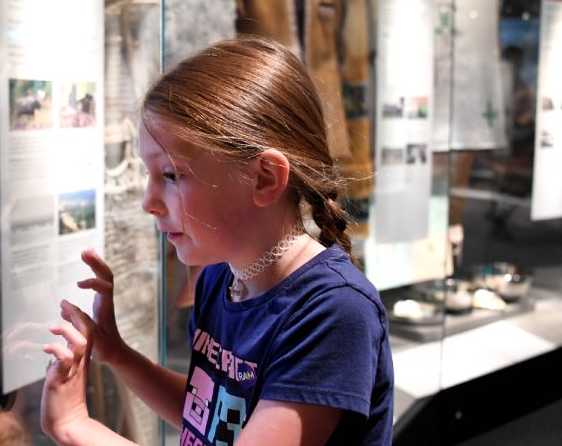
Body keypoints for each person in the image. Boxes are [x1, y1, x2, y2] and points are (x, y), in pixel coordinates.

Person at [40, 36, 394, 445]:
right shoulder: (219, 280)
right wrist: (117, 353)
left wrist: (76, 426)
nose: (148, 203)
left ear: (264, 178)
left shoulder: (334, 312)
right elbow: (209, 416)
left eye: (171, 175)